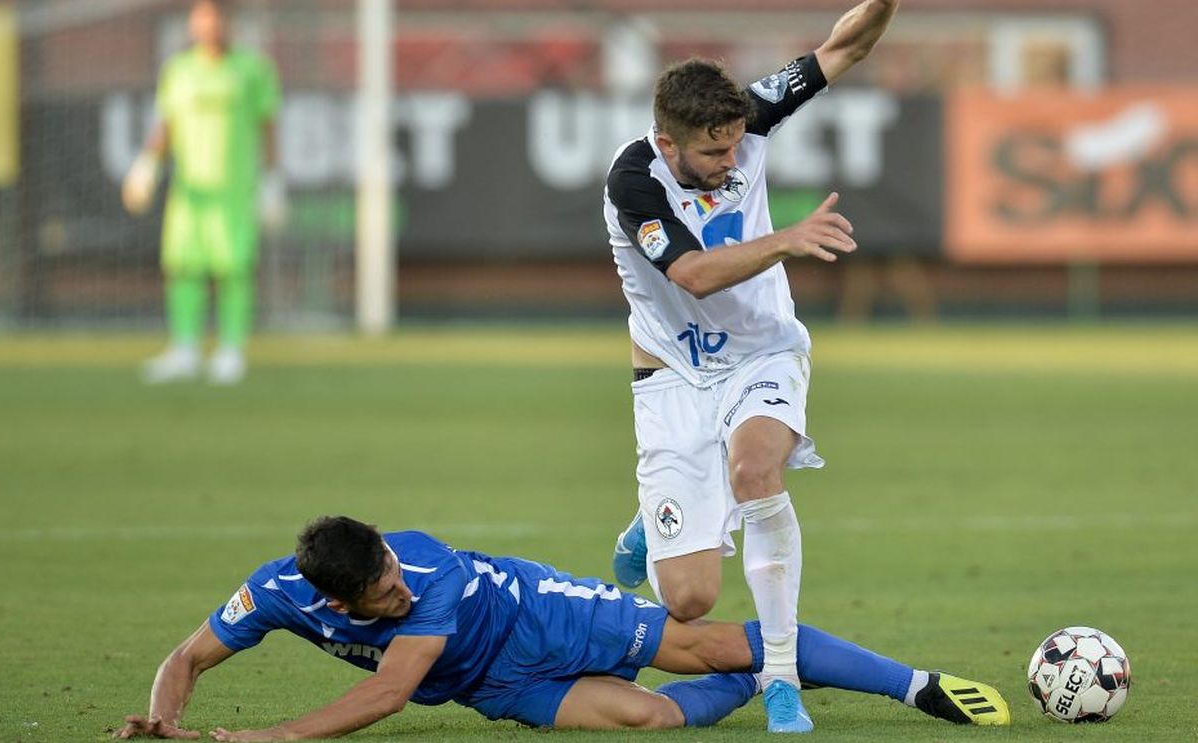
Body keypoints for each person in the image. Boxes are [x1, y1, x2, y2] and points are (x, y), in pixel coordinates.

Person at [602, 0, 900, 732]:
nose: (730, 162)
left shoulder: (748, 115)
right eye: (713, 153)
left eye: (737, 145)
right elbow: (695, 274)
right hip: (672, 378)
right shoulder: (634, 182)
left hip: (762, 352)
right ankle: (658, 515)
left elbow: (846, 47)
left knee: (755, 470)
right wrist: (787, 240)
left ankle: (778, 675)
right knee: (690, 599)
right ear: (669, 146)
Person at [114, 515, 1009, 740]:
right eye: (380, 588)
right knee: (653, 718)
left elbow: (389, 691)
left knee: (714, 638)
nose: (397, 581)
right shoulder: (274, 592)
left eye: (391, 563)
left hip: (542, 618)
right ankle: (768, 673)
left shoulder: (432, 575)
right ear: (336, 604)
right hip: (491, 682)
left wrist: (268, 735)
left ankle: (909, 680)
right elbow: (187, 657)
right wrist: (167, 721)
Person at [123, 0, 285, 386]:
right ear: (193, 23)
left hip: (235, 190)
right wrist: (147, 164)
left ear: (229, 22)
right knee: (183, 266)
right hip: (191, 191)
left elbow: (268, 126)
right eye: (202, 18)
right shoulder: (179, 70)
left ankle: (231, 350)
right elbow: (168, 124)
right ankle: (185, 349)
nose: (209, 25)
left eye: (216, 17)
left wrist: (273, 180)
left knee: (233, 268)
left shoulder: (253, 69)